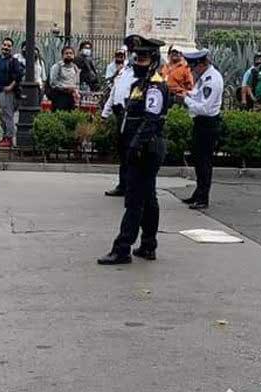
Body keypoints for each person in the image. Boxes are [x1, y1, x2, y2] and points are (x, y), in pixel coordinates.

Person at [97, 35, 168, 265]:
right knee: (147, 197)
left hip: (146, 149)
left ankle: (122, 248)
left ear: (154, 60)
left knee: (135, 200)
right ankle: (148, 245)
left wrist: (135, 146)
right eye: (137, 58)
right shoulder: (140, 85)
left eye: (144, 59)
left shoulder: (155, 86)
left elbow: (151, 120)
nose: (138, 62)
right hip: (138, 147)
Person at [177, 49, 224, 210]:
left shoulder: (212, 80)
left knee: (204, 162)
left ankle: (203, 198)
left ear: (201, 64)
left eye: (193, 66)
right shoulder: (204, 77)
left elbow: (204, 107)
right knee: (198, 160)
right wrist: (187, 94)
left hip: (208, 123)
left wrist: (186, 100)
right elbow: (197, 94)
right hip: (201, 124)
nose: (191, 70)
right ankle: (198, 193)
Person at [101, 46, 136, 197]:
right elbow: (114, 94)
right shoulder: (122, 72)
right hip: (119, 115)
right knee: (122, 152)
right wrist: (104, 114)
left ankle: (131, 186)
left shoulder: (138, 76)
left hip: (130, 116)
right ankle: (123, 185)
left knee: (130, 153)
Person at [0, 37, 23, 148]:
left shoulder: (14, 61)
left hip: (8, 92)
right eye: (4, 45)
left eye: (9, 46)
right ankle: (4, 136)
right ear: (1, 46)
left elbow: (19, 75)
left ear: (12, 48)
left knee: (8, 115)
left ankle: (9, 138)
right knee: (0, 115)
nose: (6, 47)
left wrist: (11, 86)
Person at [49, 46, 80, 112]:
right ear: (62, 55)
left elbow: (77, 82)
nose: (69, 55)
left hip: (72, 97)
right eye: (66, 53)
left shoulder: (75, 67)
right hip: (60, 96)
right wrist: (66, 88)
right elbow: (53, 83)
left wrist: (76, 91)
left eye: (71, 53)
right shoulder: (57, 67)